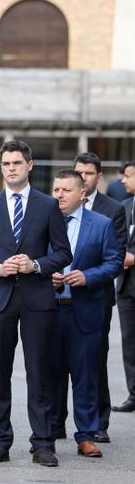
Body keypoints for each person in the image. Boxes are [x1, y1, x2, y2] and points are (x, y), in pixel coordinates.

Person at [0, 140, 72, 467]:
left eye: (16, 162)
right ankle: (0, 441)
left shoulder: (47, 206)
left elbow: (63, 253)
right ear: (1, 167)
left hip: (37, 299)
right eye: (6, 163)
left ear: (30, 166)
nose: (11, 168)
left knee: (39, 373)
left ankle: (43, 443)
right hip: (0, 300)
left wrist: (36, 265)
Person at [48, 169, 122, 459]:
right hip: (51, 311)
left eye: (66, 191)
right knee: (50, 375)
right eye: (56, 190)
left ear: (82, 193)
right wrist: (47, 275)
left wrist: (88, 276)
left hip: (86, 310)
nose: (59, 196)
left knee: (86, 375)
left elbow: (114, 262)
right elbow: (36, 258)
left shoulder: (101, 224)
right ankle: (50, 432)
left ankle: (86, 434)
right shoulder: (45, 221)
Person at [71, 152, 127, 443]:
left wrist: (87, 277)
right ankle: (59, 422)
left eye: (88, 173)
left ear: (98, 177)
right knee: (61, 362)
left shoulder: (112, 209)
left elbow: (114, 258)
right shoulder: (61, 203)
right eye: (78, 172)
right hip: (62, 297)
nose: (83, 178)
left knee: (94, 360)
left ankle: (98, 422)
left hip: (97, 297)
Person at [113, 161, 135, 414]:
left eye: (128, 176)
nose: (122, 181)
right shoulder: (124, 207)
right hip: (126, 287)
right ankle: (133, 393)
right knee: (129, 343)